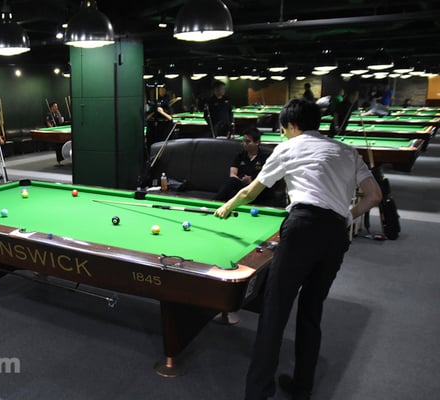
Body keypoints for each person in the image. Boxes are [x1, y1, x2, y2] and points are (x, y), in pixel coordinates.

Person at [213, 99, 382, 400]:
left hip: (302, 227)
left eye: (283, 129)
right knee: (312, 309)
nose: (282, 134)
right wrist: (347, 217)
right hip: (335, 234)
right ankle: (303, 387)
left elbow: (251, 191)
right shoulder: (346, 150)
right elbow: (374, 195)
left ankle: (258, 393)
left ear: (291, 125)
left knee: (275, 311)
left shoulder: (289, 147)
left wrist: (228, 205)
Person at [213, 127, 272, 202]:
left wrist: (251, 182)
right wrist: (241, 181)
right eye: (243, 141)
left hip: (257, 189)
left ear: (257, 142)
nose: (244, 144)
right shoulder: (240, 156)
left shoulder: (266, 157)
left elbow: (267, 178)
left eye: (248, 141)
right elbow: (232, 174)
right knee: (232, 182)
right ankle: (214, 202)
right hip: (241, 186)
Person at [145, 85, 174, 154]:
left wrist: (161, 112)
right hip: (154, 129)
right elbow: (147, 118)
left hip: (164, 128)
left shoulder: (167, 104)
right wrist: (155, 111)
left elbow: (170, 118)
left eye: (163, 89)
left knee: (162, 147)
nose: (161, 91)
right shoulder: (153, 103)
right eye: (160, 89)